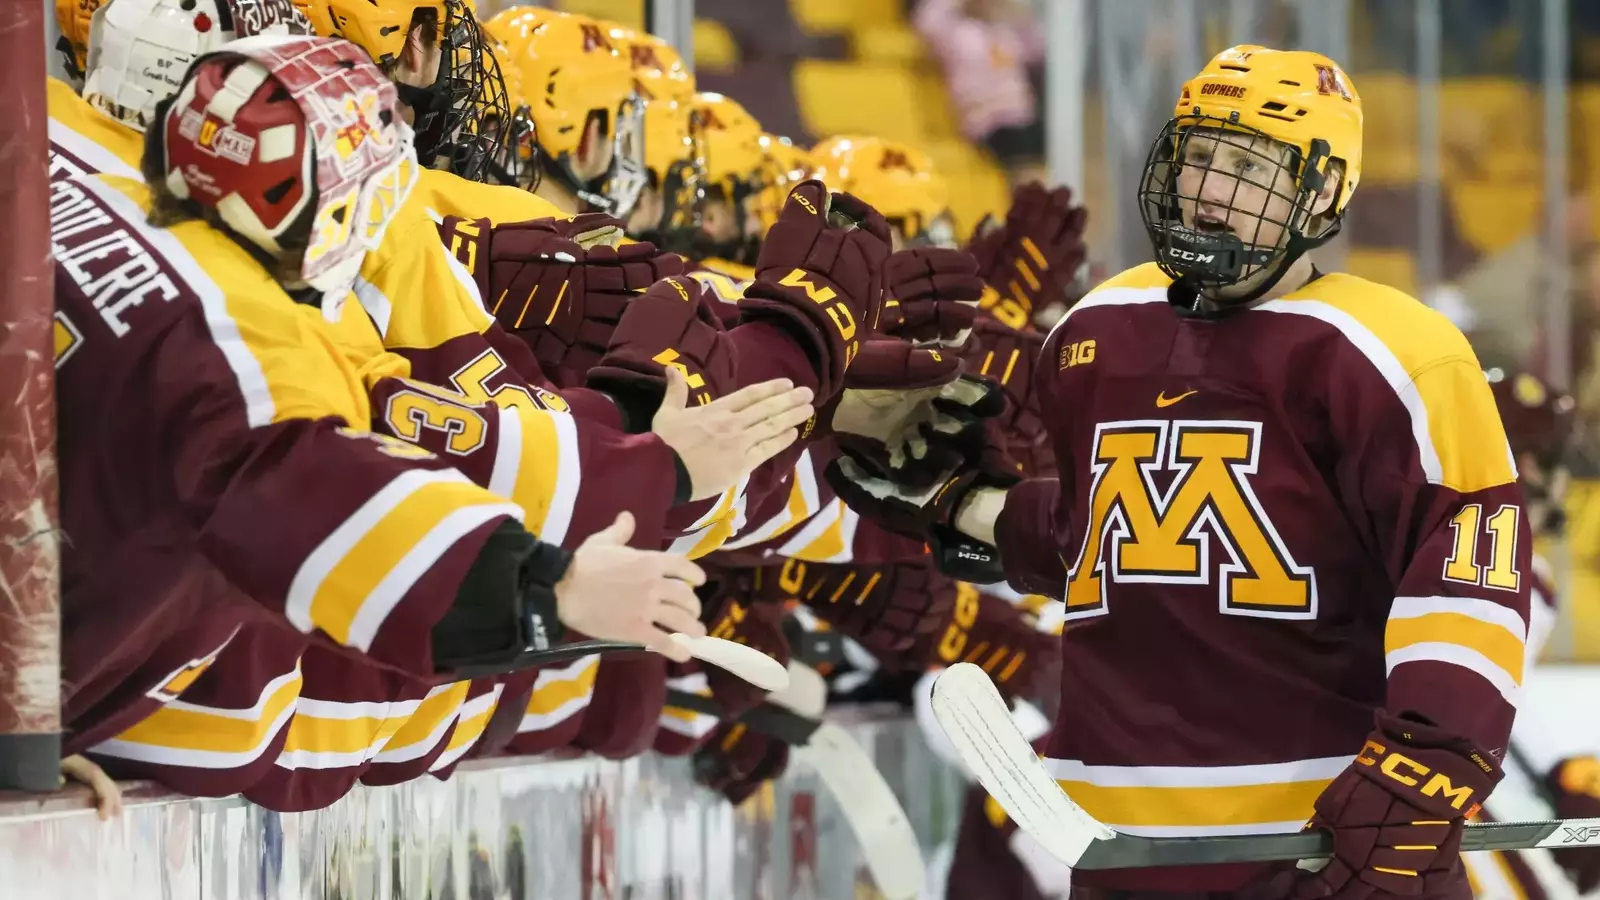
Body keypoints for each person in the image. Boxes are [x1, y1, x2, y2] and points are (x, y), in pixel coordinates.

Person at [831, 45, 1531, 899]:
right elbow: (1118, 539)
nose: (1211, 189)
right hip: (1121, 844)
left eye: (1249, 166)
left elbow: (1465, 575)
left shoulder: (1395, 352)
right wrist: (962, 506)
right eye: (1199, 156)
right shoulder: (1098, 329)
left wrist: (1427, 763)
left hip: (1325, 840)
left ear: (1322, 192)